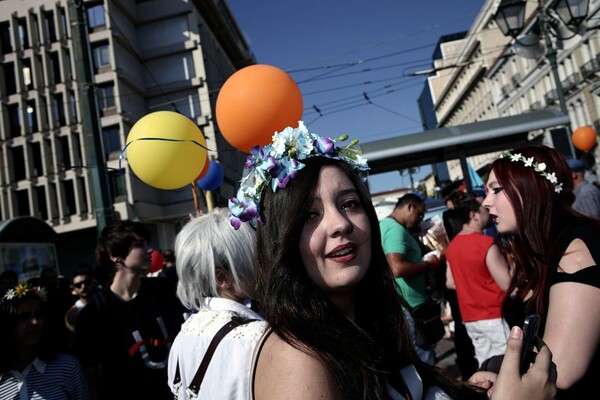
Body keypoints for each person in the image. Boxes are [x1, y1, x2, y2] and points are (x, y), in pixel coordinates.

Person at [227, 122, 557, 399]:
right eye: (309, 214)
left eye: (349, 203)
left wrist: (456, 391)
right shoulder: (297, 357)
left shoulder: (366, 323)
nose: (340, 224)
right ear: (280, 239)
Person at [482, 145, 600, 398]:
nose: (486, 202)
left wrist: (501, 377)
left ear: (531, 187)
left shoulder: (574, 249)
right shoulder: (536, 251)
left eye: (496, 190)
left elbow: (561, 369)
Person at [73, 220, 185, 399]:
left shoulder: (163, 290)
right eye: (139, 245)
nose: (150, 250)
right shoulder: (94, 314)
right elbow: (91, 378)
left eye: (147, 243)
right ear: (114, 255)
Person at [167, 208, 268, 399]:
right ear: (222, 278)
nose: (264, 267)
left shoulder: (184, 334)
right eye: (253, 260)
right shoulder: (257, 338)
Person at [445, 197, 511, 367]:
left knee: (486, 365)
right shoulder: (485, 243)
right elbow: (507, 283)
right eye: (485, 211)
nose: (489, 214)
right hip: (493, 314)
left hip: (471, 318)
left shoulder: (452, 247)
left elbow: (450, 282)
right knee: (508, 364)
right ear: (473, 215)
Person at [379, 193, 442, 364]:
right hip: (410, 306)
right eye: (419, 214)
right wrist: (427, 264)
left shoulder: (385, 225)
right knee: (424, 357)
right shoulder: (395, 229)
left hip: (404, 304)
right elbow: (396, 268)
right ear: (410, 207)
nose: (420, 220)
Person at [0, 282, 91, 399]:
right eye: (24, 317)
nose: (35, 322)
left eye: (38, 314)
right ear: (6, 324)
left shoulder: (67, 367)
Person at [64, 264, 98, 334]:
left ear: (93, 283)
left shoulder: (105, 303)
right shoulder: (72, 313)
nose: (83, 287)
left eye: (87, 283)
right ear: (74, 289)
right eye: (78, 285)